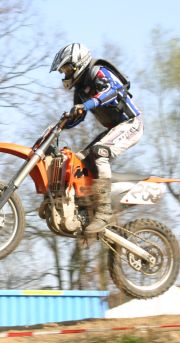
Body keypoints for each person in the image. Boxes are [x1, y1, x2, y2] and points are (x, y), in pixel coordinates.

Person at [50, 43, 143, 235]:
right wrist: (61, 125)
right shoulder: (80, 90)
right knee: (80, 160)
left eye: (67, 69)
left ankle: (104, 211)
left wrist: (86, 105)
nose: (65, 74)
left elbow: (111, 90)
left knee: (99, 152)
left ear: (78, 63)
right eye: (63, 71)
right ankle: (86, 208)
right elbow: (80, 116)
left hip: (131, 124)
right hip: (114, 129)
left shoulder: (98, 71)